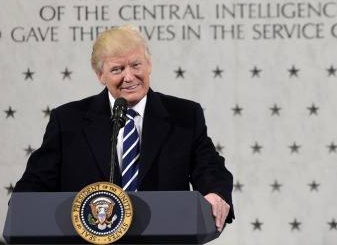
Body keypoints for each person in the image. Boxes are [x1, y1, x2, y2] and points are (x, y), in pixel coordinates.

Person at [13, 24, 234, 231]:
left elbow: (209, 167)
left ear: (149, 65)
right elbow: (36, 182)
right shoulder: (68, 121)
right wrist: (22, 209)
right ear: (100, 75)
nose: (129, 77)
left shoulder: (184, 116)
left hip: (166, 236)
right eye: (117, 69)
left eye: (136, 65)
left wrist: (215, 193)